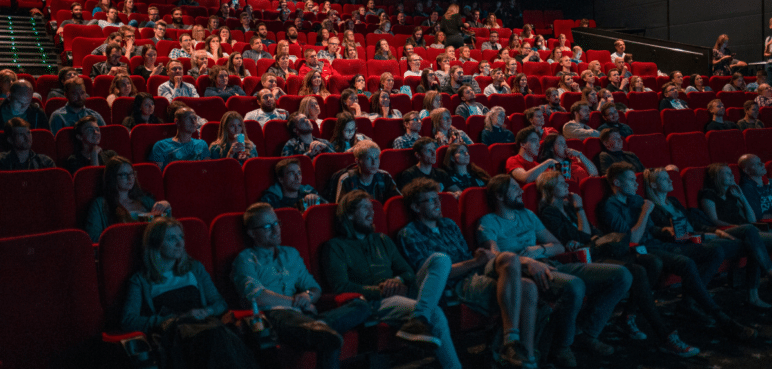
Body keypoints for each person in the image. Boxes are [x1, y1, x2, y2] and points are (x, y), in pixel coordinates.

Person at [536, 171, 700, 357]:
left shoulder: (569, 206)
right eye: (560, 183)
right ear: (548, 189)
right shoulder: (549, 212)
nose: (566, 184)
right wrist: (580, 209)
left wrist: (586, 227)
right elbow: (583, 236)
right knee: (637, 271)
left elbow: (592, 232)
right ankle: (664, 334)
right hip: (587, 258)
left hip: (602, 250)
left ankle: (628, 316)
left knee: (652, 262)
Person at [600, 162, 757, 341]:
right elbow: (633, 239)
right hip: (640, 251)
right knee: (686, 263)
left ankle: (688, 304)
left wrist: (666, 230)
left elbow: (651, 230)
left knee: (713, 251)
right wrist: (645, 212)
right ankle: (721, 318)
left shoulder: (636, 200)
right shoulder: (610, 207)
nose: (636, 184)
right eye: (630, 180)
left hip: (658, 244)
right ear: (617, 183)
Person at [323, 190, 464, 368]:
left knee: (441, 259)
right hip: (377, 301)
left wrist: (397, 280)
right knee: (435, 314)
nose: (372, 212)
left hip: (404, 291)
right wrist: (380, 290)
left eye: (372, 207)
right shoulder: (335, 247)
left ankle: (418, 319)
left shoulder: (382, 239)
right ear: (350, 214)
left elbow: (408, 273)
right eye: (365, 207)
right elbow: (341, 286)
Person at [231, 203, 371, 369]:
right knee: (329, 339)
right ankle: (319, 330)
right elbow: (256, 296)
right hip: (274, 317)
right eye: (268, 227)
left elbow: (314, 288)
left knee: (362, 305)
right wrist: (295, 302)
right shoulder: (246, 259)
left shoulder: (291, 254)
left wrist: (307, 297)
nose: (276, 230)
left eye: (277, 223)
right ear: (252, 233)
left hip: (303, 316)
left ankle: (319, 327)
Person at [120, 217, 258, 368]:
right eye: (172, 238)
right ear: (155, 243)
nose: (180, 243)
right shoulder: (141, 280)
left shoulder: (194, 268)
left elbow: (220, 303)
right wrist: (170, 319)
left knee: (218, 335)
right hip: (175, 334)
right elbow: (128, 320)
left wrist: (206, 311)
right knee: (215, 338)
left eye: (181, 237)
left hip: (206, 325)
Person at [647, 166, 772, 311]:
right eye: (664, 178)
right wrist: (706, 236)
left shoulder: (673, 201)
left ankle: (756, 291)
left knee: (751, 235)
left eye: (669, 177)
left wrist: (716, 232)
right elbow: (675, 237)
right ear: (653, 185)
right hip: (691, 243)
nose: (670, 180)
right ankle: (757, 289)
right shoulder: (653, 209)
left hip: (702, 237)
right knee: (752, 241)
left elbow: (695, 223)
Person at [84, 156, 171, 241]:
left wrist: (166, 207)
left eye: (132, 173)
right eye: (124, 174)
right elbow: (93, 237)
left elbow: (166, 229)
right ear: (112, 177)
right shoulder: (100, 204)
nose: (130, 178)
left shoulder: (145, 200)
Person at [334, 140, 401, 203]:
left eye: (376, 158)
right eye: (369, 158)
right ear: (357, 161)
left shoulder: (385, 176)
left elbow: (398, 201)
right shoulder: (347, 180)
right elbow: (342, 210)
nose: (374, 163)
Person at [260, 158, 326, 211]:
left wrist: (317, 199)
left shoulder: (309, 193)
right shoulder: (271, 200)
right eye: (291, 173)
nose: (297, 177)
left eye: (299, 173)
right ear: (281, 179)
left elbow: (327, 207)